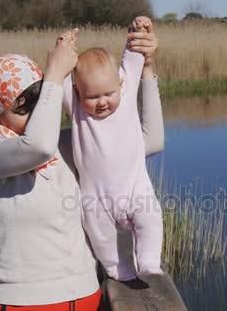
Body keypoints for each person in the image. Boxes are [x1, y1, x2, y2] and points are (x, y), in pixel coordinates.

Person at [0, 23, 163, 310]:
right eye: (22, 108)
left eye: (40, 100)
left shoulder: (68, 144)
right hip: (22, 305)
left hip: (88, 298)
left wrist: (146, 69)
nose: (35, 113)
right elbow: (37, 147)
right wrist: (56, 75)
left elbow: (152, 140)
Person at [62, 17, 163, 281]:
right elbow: (58, 78)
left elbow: (134, 57)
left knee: (150, 218)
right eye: (93, 97)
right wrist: (65, 51)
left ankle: (150, 262)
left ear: (119, 85)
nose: (102, 102)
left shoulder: (126, 90)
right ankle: (118, 269)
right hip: (96, 197)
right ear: (78, 93)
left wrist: (137, 30)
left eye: (108, 93)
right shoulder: (76, 110)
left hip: (135, 187)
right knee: (100, 235)